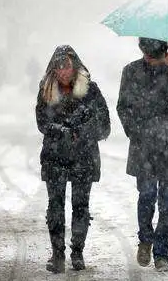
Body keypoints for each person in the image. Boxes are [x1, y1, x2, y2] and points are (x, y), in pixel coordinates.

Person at [116, 37, 168, 272]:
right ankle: (146, 238)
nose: (149, 58)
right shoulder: (131, 71)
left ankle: (162, 253)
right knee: (146, 195)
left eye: (153, 54)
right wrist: (136, 133)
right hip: (143, 146)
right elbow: (123, 107)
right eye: (146, 53)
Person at [35, 45, 111, 273]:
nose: (64, 71)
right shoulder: (46, 91)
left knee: (80, 206)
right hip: (55, 157)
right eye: (59, 66)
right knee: (55, 206)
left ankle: (77, 252)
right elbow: (42, 122)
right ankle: (57, 254)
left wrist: (82, 133)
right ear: (53, 69)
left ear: (75, 66)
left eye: (67, 65)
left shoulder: (90, 90)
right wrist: (61, 131)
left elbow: (104, 125)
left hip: (83, 157)